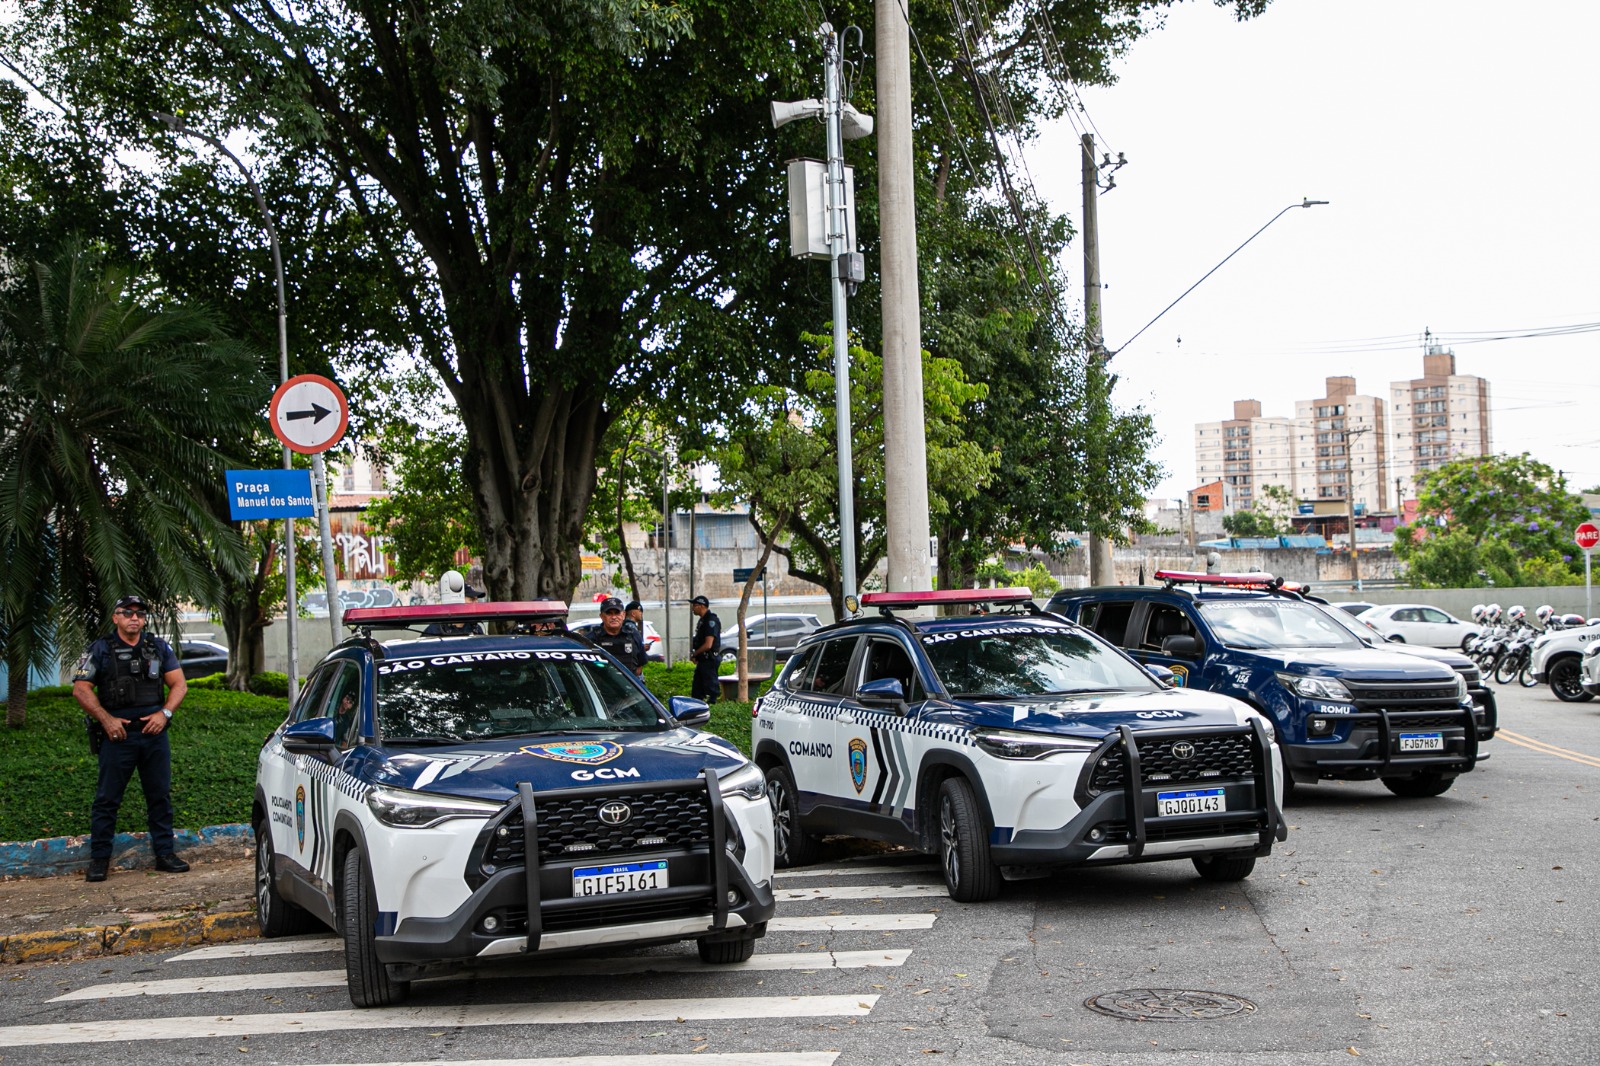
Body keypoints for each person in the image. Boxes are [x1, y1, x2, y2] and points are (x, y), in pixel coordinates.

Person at [72, 595, 190, 882]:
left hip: (154, 733)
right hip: (117, 735)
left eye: (139, 613)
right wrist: (106, 719)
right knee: (107, 799)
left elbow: (179, 684)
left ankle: (165, 854)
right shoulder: (99, 649)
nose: (134, 617)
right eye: (127, 613)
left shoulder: (158, 647)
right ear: (116, 617)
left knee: (159, 796)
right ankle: (100, 860)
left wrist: (164, 714)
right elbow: (81, 689)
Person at [590, 596, 647, 675]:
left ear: (623, 615)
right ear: (601, 616)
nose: (614, 617)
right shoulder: (591, 639)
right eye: (609, 613)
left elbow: (639, 667)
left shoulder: (634, 635)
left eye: (617, 613)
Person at [689, 594, 722, 702]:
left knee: (711, 690)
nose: (692, 608)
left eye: (695, 605)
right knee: (697, 691)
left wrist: (695, 653)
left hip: (709, 659)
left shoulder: (711, 621)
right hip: (703, 659)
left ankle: (713, 707)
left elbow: (708, 644)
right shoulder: (703, 620)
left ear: (702, 606)